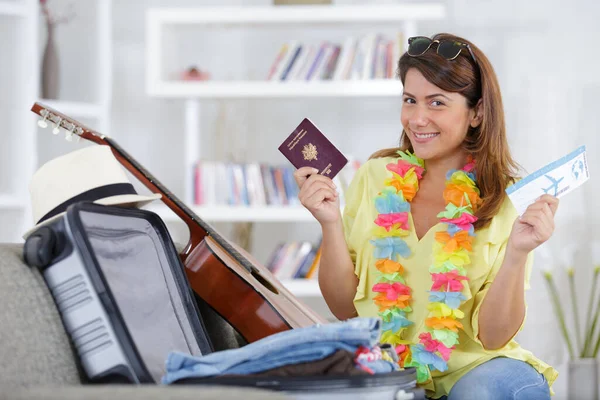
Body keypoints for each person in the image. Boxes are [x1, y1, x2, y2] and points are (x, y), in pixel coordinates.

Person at [293, 33, 558, 400]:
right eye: (409, 100)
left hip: (484, 369)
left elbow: (494, 337)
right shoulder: (375, 176)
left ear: (477, 112)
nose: (417, 118)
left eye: (437, 103)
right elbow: (343, 308)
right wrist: (329, 222)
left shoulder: (507, 197)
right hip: (393, 370)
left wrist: (518, 252)